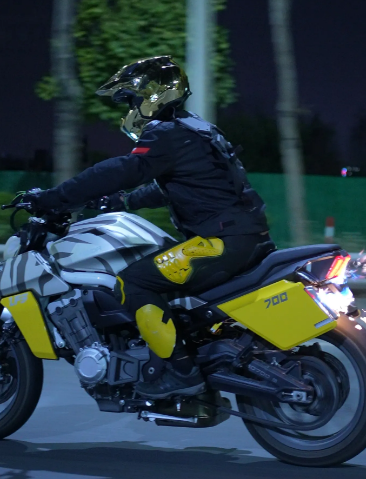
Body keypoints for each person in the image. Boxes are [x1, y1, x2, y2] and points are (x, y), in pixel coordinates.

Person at [29, 56, 271, 399]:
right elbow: (176, 187)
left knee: (133, 282)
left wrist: (54, 198)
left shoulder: (166, 133)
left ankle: (180, 372)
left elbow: (122, 170)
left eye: (131, 100)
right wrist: (124, 202)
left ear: (152, 95)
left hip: (222, 241)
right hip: (243, 237)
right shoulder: (196, 130)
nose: (130, 109)